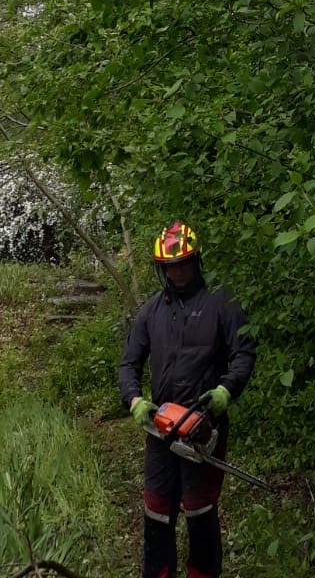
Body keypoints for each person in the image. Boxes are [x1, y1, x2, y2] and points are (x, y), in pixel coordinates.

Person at [119, 220, 257, 578]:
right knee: (157, 512)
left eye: (183, 264)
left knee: (200, 513)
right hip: (160, 430)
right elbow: (128, 364)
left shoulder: (222, 303)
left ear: (196, 262)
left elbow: (244, 353)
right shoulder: (151, 312)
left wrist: (226, 391)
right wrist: (135, 402)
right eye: (170, 266)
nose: (177, 272)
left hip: (202, 428)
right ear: (161, 268)